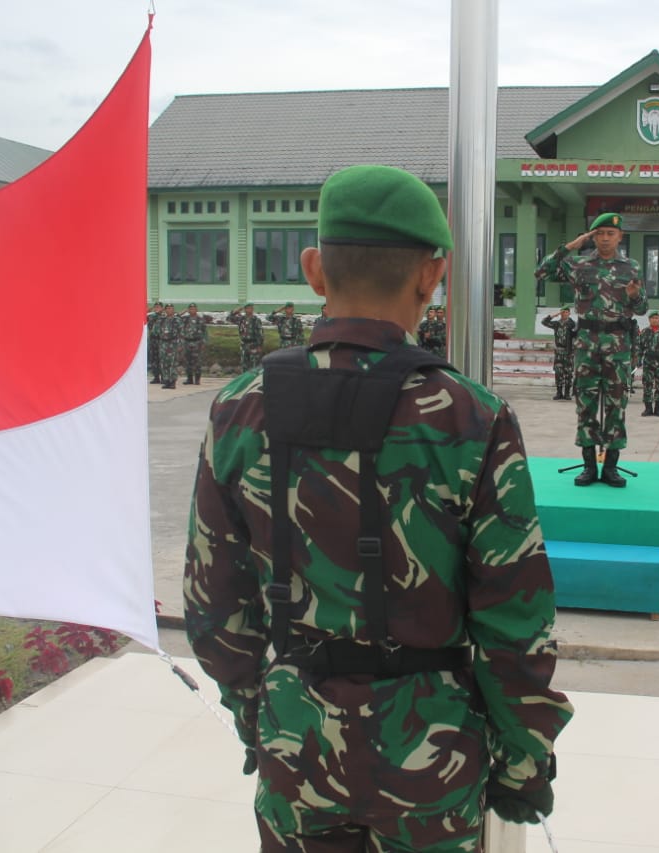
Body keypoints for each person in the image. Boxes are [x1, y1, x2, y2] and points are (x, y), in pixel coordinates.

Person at [184, 164, 573, 852]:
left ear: (314, 269)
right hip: (433, 761)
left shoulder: (240, 408)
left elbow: (214, 603)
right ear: (432, 275)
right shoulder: (471, 417)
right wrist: (521, 757)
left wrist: (263, 714)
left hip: (297, 745)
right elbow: (516, 620)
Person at [536, 212, 647, 487]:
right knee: (585, 404)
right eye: (599, 233)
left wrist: (635, 296)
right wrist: (570, 246)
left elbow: (642, 309)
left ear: (620, 236)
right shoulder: (579, 264)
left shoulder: (631, 267)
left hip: (619, 345)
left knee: (616, 406)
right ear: (592, 237)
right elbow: (542, 271)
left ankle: (610, 467)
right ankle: (588, 466)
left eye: (611, 233)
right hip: (586, 343)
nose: (605, 238)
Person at [635, 310, 659, 416]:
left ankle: (658, 409)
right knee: (647, 386)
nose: (655, 320)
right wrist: (638, 359)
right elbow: (639, 347)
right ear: (649, 320)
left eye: (656, 318)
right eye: (652, 318)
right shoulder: (645, 332)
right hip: (648, 362)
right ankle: (648, 408)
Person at [541, 305, 577, 401]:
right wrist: (555, 315)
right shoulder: (557, 324)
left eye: (566, 312)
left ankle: (567, 393)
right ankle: (559, 393)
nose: (564, 314)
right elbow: (544, 322)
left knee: (568, 373)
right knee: (558, 372)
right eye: (562, 312)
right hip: (559, 351)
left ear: (569, 313)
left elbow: (577, 334)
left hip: (568, 352)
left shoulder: (572, 324)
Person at [228, 303, 266, 374]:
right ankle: (245, 380)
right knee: (244, 364)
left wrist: (260, 345)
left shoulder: (256, 320)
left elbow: (260, 333)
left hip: (253, 344)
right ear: (245, 309)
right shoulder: (241, 319)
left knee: (254, 364)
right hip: (244, 344)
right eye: (248, 308)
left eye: (251, 308)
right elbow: (229, 318)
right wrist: (236, 310)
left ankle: (253, 380)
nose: (250, 309)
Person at [179, 302, 209, 385]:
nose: (192, 310)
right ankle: (189, 379)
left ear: (196, 310)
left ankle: (197, 379)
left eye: (194, 309)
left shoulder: (200, 320)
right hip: (187, 342)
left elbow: (205, 332)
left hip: (197, 342)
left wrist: (204, 342)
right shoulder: (185, 319)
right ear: (188, 310)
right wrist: (183, 312)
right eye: (190, 309)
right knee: (187, 361)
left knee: (197, 362)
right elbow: (176, 318)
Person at [156, 302, 181, 389]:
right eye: (168, 309)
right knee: (164, 362)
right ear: (165, 310)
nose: (169, 310)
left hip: (172, 343)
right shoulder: (162, 320)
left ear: (173, 310)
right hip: (163, 343)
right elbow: (156, 330)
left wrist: (180, 344)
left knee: (173, 363)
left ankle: (172, 381)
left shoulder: (177, 320)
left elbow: (180, 332)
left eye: (171, 308)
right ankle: (166, 381)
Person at [147, 300, 165, 384]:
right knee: (154, 359)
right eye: (156, 307)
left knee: (162, 359)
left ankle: (164, 377)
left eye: (159, 307)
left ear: (162, 308)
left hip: (161, 340)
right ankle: (156, 377)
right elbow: (139, 316)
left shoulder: (164, 317)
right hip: (153, 340)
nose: (157, 309)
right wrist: (148, 310)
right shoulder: (151, 317)